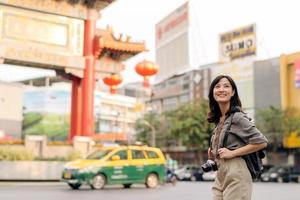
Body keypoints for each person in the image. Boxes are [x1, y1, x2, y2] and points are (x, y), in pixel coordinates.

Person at [207, 75, 268, 200]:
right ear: (213, 92)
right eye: (217, 86)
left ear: (233, 92)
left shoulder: (237, 117)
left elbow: (261, 141)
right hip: (221, 173)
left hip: (236, 172)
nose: (221, 89)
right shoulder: (220, 121)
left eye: (226, 86)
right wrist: (212, 155)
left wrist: (233, 153)